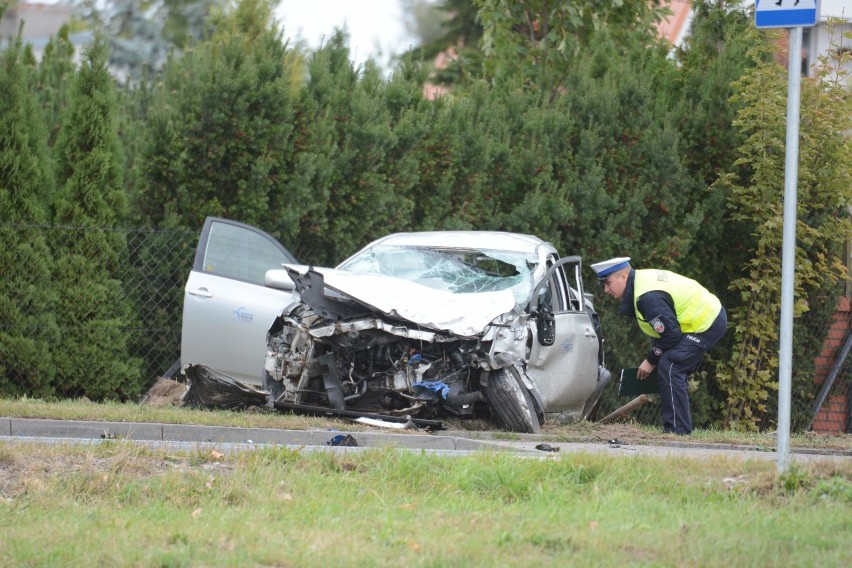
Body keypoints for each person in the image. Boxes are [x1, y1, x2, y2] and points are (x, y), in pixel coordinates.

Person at [591, 257, 727, 435]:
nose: (606, 290)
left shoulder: (647, 297)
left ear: (623, 276)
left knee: (671, 364)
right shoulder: (640, 283)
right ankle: (678, 429)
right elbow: (665, 331)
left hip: (707, 321)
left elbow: (671, 335)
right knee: (669, 363)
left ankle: (677, 432)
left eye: (608, 283)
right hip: (692, 323)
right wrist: (655, 355)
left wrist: (651, 359)